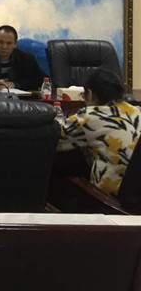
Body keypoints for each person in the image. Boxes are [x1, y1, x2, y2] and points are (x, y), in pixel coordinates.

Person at [58, 68, 140, 197]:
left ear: (90, 94)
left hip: (112, 197)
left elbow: (53, 139)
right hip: (136, 195)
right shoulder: (136, 111)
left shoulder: (90, 116)